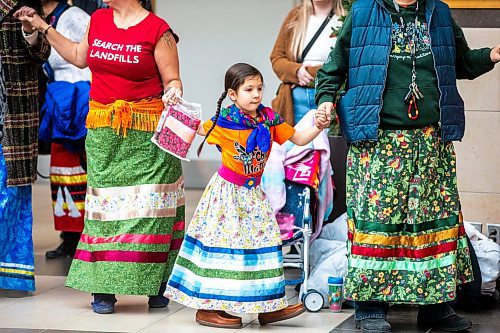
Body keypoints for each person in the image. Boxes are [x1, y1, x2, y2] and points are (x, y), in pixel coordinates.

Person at [314, 0, 500, 332]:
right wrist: (326, 99)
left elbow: (462, 62)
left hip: (431, 143)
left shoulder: (438, 12)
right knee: (378, 225)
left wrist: (491, 55)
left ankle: (436, 308)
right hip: (378, 143)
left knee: (433, 225)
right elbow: (333, 69)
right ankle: (370, 308)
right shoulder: (362, 12)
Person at [16, 0, 185, 314]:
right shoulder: (99, 19)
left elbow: (173, 79)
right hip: (104, 133)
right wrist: (42, 27)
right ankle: (104, 288)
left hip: (147, 135)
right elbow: (79, 57)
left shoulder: (158, 31)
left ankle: (155, 285)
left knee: (150, 209)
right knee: (104, 209)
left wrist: (173, 90)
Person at [164, 63, 330, 329]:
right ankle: (208, 308)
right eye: (249, 89)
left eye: (259, 88)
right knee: (225, 248)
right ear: (233, 94)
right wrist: (175, 106)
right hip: (227, 195)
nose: (256, 94)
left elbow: (299, 139)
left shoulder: (269, 119)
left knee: (264, 246)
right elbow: (195, 129)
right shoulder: (224, 120)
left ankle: (268, 307)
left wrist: (319, 126)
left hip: (253, 195)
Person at [0, 0, 50, 293]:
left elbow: (43, 52)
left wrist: (30, 30)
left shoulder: (22, 5)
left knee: (12, 194)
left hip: (13, 115)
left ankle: (10, 274)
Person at [38, 0, 91, 259]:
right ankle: (68, 236)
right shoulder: (38, 18)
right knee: (61, 169)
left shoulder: (74, 16)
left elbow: (88, 59)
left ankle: (84, 236)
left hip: (78, 97)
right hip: (59, 96)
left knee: (80, 167)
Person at [270, 0, 344, 125]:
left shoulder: (345, 17)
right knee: (294, 144)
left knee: (329, 144)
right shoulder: (296, 16)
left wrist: (308, 73)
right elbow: (277, 57)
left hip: (331, 98)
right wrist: (296, 71)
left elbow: (349, 62)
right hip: (295, 99)